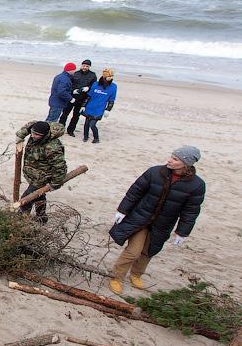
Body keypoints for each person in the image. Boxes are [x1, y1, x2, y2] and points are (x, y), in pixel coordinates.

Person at [107, 147, 205, 294]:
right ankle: (116, 277)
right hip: (140, 218)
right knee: (133, 252)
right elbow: (135, 191)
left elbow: (190, 211)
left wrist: (182, 232)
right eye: (171, 156)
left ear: (186, 163)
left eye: (175, 159)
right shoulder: (155, 172)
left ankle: (136, 275)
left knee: (148, 251)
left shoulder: (197, 185)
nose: (169, 160)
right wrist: (123, 210)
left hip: (162, 224)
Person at [15, 120, 68, 223]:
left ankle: (21, 221)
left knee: (26, 199)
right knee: (39, 195)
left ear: (45, 135)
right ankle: (42, 217)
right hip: (33, 173)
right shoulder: (35, 129)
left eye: (37, 135)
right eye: (32, 133)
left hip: (42, 176)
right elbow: (29, 126)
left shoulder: (52, 148)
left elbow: (60, 167)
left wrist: (55, 184)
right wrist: (20, 135)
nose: (33, 136)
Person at [60, 59, 97, 136]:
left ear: (89, 67)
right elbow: (69, 84)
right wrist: (73, 91)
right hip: (72, 97)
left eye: (87, 66)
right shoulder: (75, 73)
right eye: (84, 65)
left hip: (82, 99)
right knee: (65, 114)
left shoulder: (93, 75)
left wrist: (88, 88)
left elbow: (94, 87)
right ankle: (60, 129)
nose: (85, 67)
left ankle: (70, 131)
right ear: (81, 65)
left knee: (76, 116)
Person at [81, 68, 118, 144]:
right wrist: (83, 105)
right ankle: (85, 136)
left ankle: (96, 138)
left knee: (92, 124)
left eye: (111, 76)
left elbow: (111, 100)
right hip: (90, 106)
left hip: (99, 109)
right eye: (109, 76)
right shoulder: (95, 84)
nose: (110, 78)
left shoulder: (113, 87)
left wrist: (108, 109)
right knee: (87, 123)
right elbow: (89, 96)